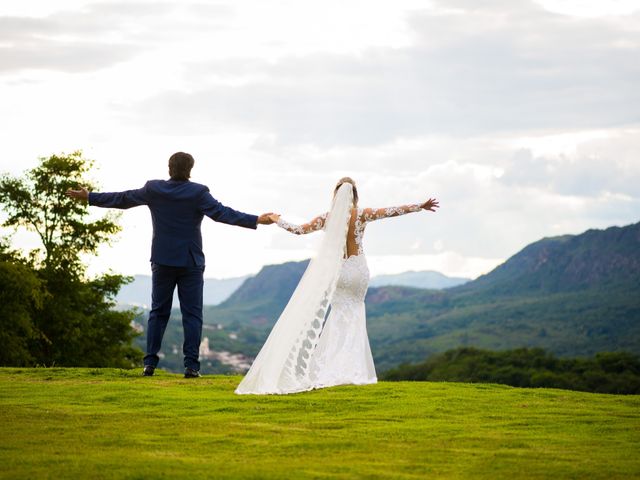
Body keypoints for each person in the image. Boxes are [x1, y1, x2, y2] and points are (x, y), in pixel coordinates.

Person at [66, 152, 274, 378]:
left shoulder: (154, 189)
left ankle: (149, 364)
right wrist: (256, 219)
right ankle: (192, 367)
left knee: (158, 312)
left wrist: (90, 197)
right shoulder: (198, 193)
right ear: (190, 169)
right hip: (190, 262)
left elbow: (124, 199)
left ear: (169, 168)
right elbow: (222, 213)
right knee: (192, 315)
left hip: (162, 260)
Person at [235, 177, 438, 394]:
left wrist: (277, 220)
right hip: (359, 270)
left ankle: (334, 366)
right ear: (355, 196)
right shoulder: (363, 214)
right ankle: (351, 367)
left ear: (335, 195)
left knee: (338, 315)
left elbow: (299, 230)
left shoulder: (327, 219)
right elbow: (393, 210)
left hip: (339, 272)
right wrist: (420, 206)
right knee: (355, 313)